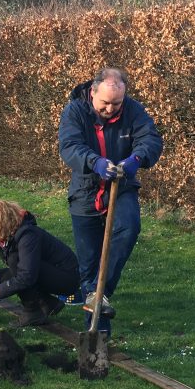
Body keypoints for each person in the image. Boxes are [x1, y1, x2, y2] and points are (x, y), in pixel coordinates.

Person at [58, 67, 163, 335]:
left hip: (121, 186)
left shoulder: (133, 110)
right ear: (93, 92)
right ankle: (97, 332)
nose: (110, 108)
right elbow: (69, 146)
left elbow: (150, 139)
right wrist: (94, 162)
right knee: (89, 263)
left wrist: (136, 159)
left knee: (128, 227)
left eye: (116, 103)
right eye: (105, 102)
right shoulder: (75, 111)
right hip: (85, 190)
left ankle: (98, 293)